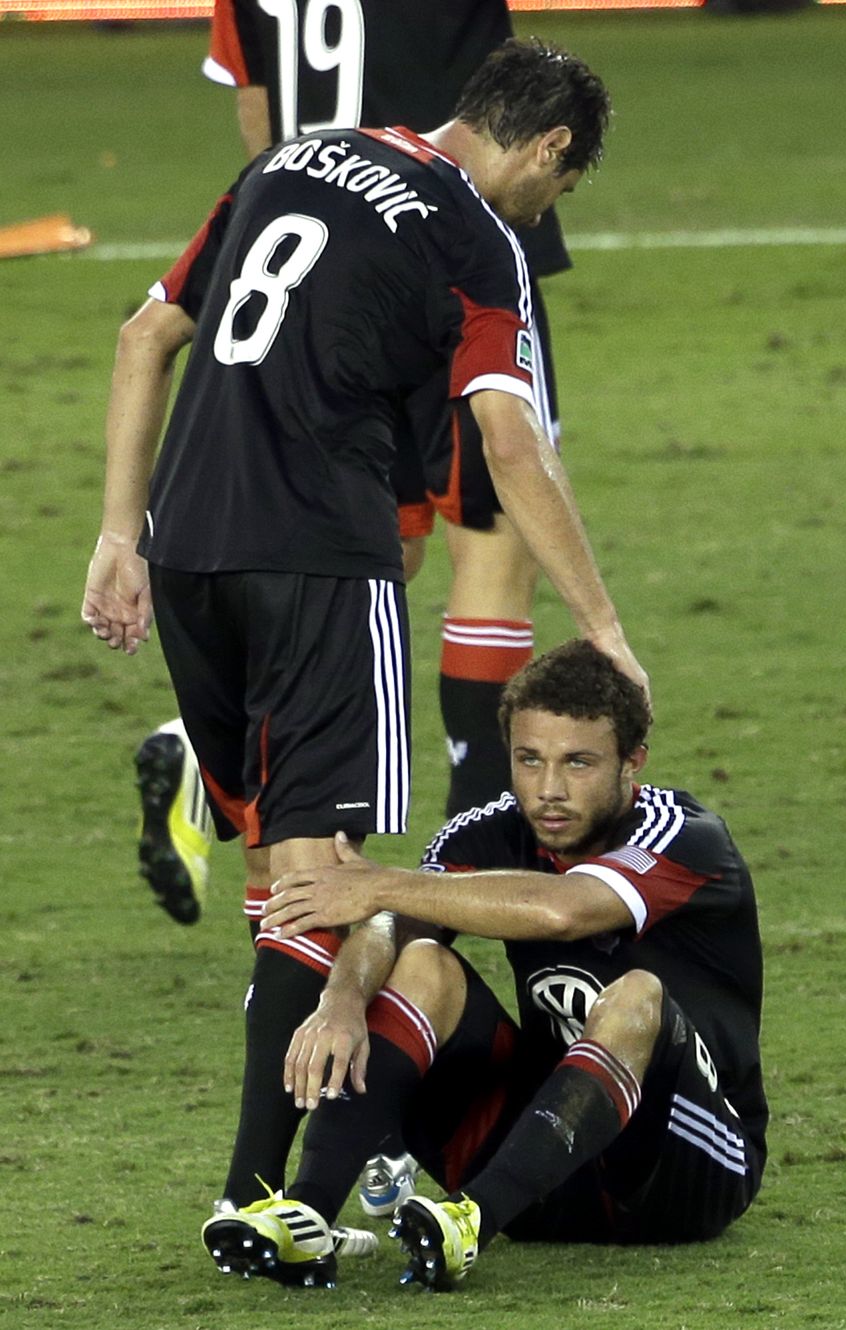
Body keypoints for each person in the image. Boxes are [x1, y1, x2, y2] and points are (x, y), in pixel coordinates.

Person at [82, 37, 648, 1256]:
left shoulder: (299, 156)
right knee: (319, 865)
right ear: (548, 149)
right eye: (560, 183)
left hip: (183, 543)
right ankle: (249, 1193)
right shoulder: (477, 240)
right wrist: (601, 625)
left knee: (276, 866)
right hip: (321, 558)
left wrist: (117, 535)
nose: (546, 206)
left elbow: (143, 339)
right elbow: (510, 447)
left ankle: (266, 1183)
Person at [135, 2, 579, 928]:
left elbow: (254, 112)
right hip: (441, 246)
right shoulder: (484, 224)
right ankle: (479, 838)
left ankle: (210, 745)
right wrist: (604, 627)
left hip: (299, 240)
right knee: (494, 552)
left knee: (386, 552)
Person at [208, 640, 767, 1291]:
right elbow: (392, 924)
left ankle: (473, 1222)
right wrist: (342, 999)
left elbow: (566, 911)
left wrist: (384, 886)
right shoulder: (489, 830)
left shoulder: (685, 837)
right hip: (547, 1164)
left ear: (631, 763)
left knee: (637, 993)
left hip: (689, 1171)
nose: (549, 790)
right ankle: (308, 1215)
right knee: (419, 960)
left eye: (578, 763)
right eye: (529, 760)